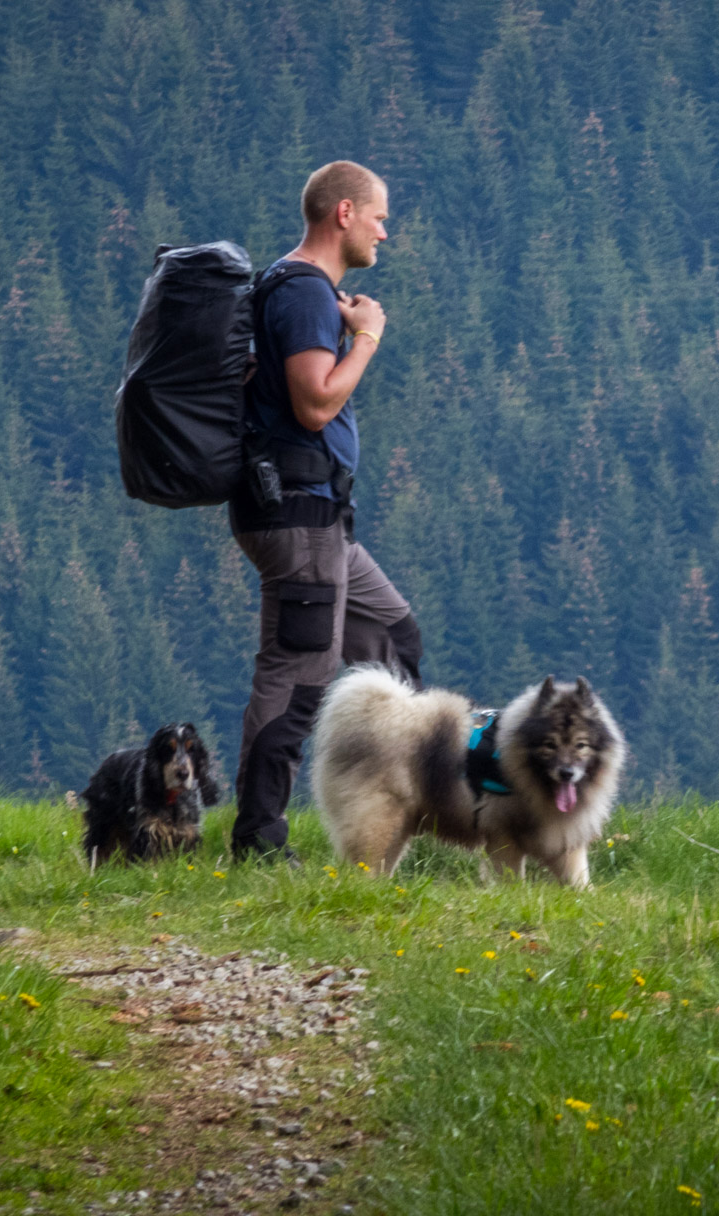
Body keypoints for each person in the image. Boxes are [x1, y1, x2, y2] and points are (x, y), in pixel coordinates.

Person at [229, 160, 423, 859]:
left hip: (320, 518)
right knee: (296, 677)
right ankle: (257, 843)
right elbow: (314, 401)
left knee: (395, 639)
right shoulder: (306, 292)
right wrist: (367, 335)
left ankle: (406, 814)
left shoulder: (293, 289)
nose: (384, 232)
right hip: (298, 515)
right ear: (343, 213)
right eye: (379, 217)